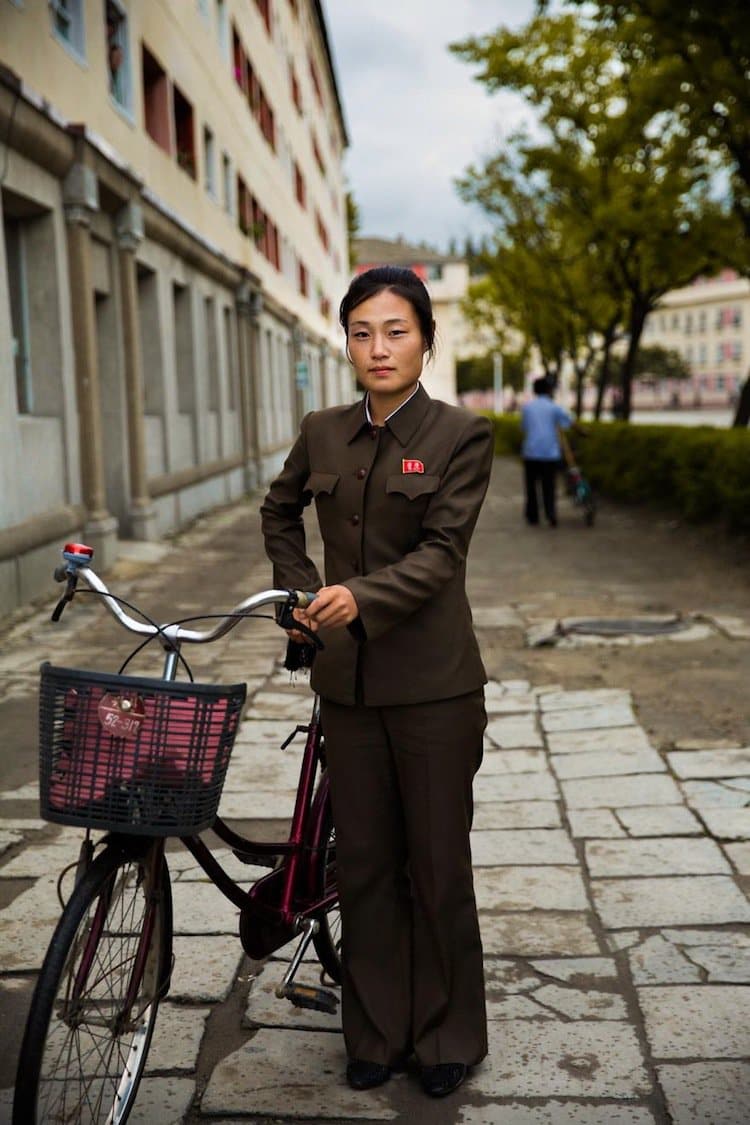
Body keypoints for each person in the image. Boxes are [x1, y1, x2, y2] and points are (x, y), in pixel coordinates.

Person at [261, 266, 494, 1100]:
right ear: (346, 343)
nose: (378, 347)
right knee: (362, 864)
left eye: (396, 330)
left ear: (426, 338)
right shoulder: (323, 429)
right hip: (349, 689)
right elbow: (278, 510)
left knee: (434, 866)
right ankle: (374, 1030)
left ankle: (447, 1033)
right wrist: (298, 592)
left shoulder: (462, 434)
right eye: (362, 331)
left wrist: (357, 595)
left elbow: (441, 555)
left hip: (434, 689)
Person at [520, 376, 572, 526]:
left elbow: (524, 428)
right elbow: (567, 423)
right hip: (550, 453)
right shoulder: (554, 407)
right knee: (549, 485)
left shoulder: (527, 407)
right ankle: (551, 514)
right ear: (549, 390)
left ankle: (533, 516)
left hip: (531, 452)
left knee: (531, 486)